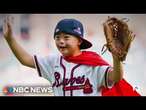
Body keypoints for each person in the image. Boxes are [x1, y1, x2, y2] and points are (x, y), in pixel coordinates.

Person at [3, 16, 138, 96]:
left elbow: (116, 76)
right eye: (57, 37)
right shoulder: (52, 62)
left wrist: (116, 58)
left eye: (66, 37)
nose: (61, 41)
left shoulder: (92, 64)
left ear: (79, 41)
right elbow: (25, 60)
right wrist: (10, 39)